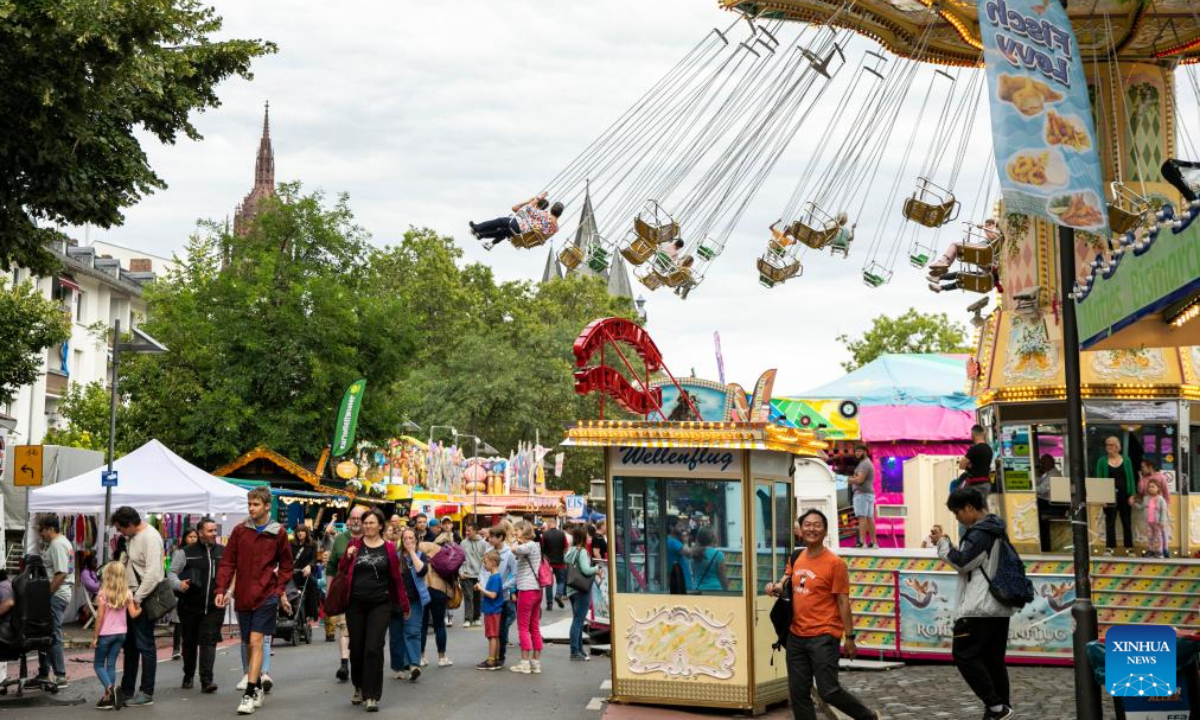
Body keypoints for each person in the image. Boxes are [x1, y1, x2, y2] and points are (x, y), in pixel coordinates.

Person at [765, 510, 879, 720]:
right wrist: (777, 588)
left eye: (817, 525)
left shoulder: (835, 564)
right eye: (807, 524)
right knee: (798, 692)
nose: (812, 529)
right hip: (796, 636)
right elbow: (788, 583)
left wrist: (850, 637)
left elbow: (843, 602)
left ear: (825, 530)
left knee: (828, 690)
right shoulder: (797, 557)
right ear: (800, 530)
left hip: (824, 635)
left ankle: (867, 716)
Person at [930, 489, 1016, 720]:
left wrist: (943, 543)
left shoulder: (980, 532)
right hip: (999, 606)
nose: (957, 517)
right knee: (993, 661)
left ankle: (997, 707)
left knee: (964, 654)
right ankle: (999, 708)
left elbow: (963, 562)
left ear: (969, 507)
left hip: (980, 607)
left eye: (957, 512)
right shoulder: (996, 528)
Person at [215, 487, 294, 716]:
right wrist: (221, 588)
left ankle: (249, 694)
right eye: (249, 504)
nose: (251, 508)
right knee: (248, 643)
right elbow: (228, 562)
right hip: (243, 595)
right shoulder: (240, 531)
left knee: (256, 640)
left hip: (266, 596)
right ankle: (257, 684)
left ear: (267, 506)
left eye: (256, 504)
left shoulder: (277, 532)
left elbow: (287, 565)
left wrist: (278, 590)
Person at [340, 508, 410, 712]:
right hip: (355, 604)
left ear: (381, 525)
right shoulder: (354, 545)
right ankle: (359, 686)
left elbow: (397, 579)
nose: (368, 526)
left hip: (380, 604)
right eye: (366, 523)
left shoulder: (388, 549)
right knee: (358, 649)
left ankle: (372, 695)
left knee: (373, 648)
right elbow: (342, 569)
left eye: (372, 523)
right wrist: (348, 556)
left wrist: (404, 605)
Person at [112, 506, 164, 707]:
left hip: (143, 597)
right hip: (132, 595)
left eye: (120, 528)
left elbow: (154, 573)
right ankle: (127, 689)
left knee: (145, 645)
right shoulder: (131, 537)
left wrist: (138, 598)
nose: (120, 532)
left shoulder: (149, 537)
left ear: (131, 524)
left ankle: (146, 691)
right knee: (131, 645)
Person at [170, 517, 225, 693]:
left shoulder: (223, 552)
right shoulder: (184, 552)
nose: (214, 534)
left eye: (215, 530)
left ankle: (206, 680)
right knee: (190, 642)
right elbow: (171, 573)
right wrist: (179, 585)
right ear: (200, 533)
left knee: (209, 641)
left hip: (214, 607)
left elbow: (231, 573)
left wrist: (228, 592)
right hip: (189, 606)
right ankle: (188, 675)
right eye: (210, 531)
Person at [92, 561, 143, 710]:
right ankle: (108, 697)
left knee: (98, 664)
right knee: (111, 664)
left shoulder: (103, 593)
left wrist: (95, 636)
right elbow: (133, 614)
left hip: (106, 634)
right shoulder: (127, 593)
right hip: (121, 634)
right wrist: (141, 607)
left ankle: (110, 688)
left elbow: (100, 617)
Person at [34, 514, 73, 688]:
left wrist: (46, 595)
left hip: (56, 595)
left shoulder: (57, 544)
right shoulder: (62, 542)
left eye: (41, 530)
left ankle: (60, 675)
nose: (40, 534)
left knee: (52, 634)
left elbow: (61, 573)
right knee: (47, 633)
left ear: (50, 528)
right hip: (59, 594)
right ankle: (44, 673)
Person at [325, 506, 364, 680]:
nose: (356, 521)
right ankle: (344, 664)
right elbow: (331, 567)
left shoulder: (370, 539)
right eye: (353, 518)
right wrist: (329, 591)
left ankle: (360, 662)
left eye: (359, 518)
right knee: (344, 627)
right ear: (349, 521)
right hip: (344, 591)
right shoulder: (340, 540)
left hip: (365, 592)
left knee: (360, 631)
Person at [392, 527, 429, 682]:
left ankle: (414, 665)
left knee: (412, 632)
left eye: (411, 538)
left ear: (416, 540)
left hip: (414, 600)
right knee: (396, 635)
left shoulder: (421, 555)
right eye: (405, 538)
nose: (408, 541)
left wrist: (412, 552)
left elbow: (422, 571)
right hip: (396, 601)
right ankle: (400, 666)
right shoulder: (396, 556)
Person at [509, 521, 545, 674]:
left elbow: (514, 550)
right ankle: (535, 662)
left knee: (523, 627)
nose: (515, 533)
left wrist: (515, 541)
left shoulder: (529, 545)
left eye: (516, 530)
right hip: (537, 590)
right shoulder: (536, 546)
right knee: (534, 626)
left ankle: (524, 662)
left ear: (523, 530)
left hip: (526, 589)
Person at [469, 192, 564, 250]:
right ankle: (481, 234)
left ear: (551, 209)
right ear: (559, 214)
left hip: (521, 228)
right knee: (505, 231)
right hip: (526, 237)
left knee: (500, 221)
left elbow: (527, 208)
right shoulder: (556, 228)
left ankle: (477, 228)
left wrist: (537, 199)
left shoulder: (544, 216)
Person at [418, 534, 454, 668]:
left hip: (422, 588)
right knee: (439, 625)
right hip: (439, 589)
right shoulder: (446, 552)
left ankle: (421, 657)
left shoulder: (422, 546)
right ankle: (442, 657)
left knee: (422, 624)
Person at [1097, 436, 1136, 554]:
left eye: (1111, 444)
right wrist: (1102, 497)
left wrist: (1132, 495)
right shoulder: (1102, 461)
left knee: (1126, 521)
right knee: (1110, 522)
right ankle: (1109, 548)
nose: (1108, 447)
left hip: (1125, 495)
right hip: (1109, 496)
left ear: (1117, 447)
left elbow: (1131, 478)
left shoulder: (1127, 460)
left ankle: (1129, 548)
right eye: (1107, 444)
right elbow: (1100, 480)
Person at [486, 525, 518, 667]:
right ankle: (493, 656)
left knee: (501, 629)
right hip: (489, 597)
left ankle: (500, 657)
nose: (490, 539)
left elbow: (516, 576)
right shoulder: (488, 551)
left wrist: (503, 587)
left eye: (493, 537)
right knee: (491, 630)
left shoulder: (509, 554)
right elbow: (483, 572)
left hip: (503, 598)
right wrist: (483, 586)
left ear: (500, 538)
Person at [564, 525, 597, 661]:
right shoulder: (582, 551)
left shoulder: (570, 550)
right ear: (583, 537)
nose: (590, 537)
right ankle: (574, 651)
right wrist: (596, 568)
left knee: (577, 619)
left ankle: (579, 650)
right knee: (578, 621)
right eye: (588, 535)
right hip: (582, 589)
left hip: (571, 589)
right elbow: (586, 570)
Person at [169, 529, 198, 661]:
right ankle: (176, 648)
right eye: (190, 536)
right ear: (185, 538)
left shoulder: (200, 552)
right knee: (178, 621)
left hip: (195, 591)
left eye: (195, 536)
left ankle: (187, 648)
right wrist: (178, 583)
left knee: (190, 623)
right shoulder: (180, 553)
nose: (193, 539)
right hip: (180, 590)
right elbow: (173, 572)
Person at [473, 551, 504, 671]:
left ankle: (491, 660)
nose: (484, 565)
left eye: (485, 563)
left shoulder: (495, 578)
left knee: (492, 636)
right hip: (492, 610)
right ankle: (495, 658)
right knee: (494, 636)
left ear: (493, 562)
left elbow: (493, 595)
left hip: (492, 610)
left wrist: (481, 588)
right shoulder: (494, 576)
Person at [459, 523, 488, 628]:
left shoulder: (483, 544)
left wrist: (483, 574)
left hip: (479, 574)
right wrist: (461, 572)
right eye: (466, 530)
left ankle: (476, 617)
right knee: (468, 597)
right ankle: (467, 618)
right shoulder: (463, 543)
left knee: (477, 597)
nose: (467, 533)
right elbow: (460, 559)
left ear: (475, 531)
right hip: (467, 574)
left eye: (469, 530)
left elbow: (486, 559)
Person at [1034, 454, 1065, 553]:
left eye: (1043, 463)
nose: (1042, 465)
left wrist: (1031, 488)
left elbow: (1041, 490)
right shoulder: (1049, 473)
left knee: (1036, 503)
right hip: (1050, 501)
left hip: (1054, 505)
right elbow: (1040, 481)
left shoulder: (1053, 475)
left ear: (1048, 463)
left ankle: (1043, 543)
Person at [848, 445, 876, 549]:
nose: (857, 453)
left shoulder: (864, 464)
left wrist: (850, 479)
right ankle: (873, 543)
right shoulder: (868, 463)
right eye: (856, 451)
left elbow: (859, 480)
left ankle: (861, 543)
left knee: (862, 518)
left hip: (862, 494)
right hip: (869, 494)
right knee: (869, 518)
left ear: (865, 452)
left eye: (859, 451)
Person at [291, 525, 319, 625]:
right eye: (298, 531)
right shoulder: (291, 544)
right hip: (293, 574)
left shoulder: (313, 544)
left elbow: (314, 559)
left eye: (302, 531)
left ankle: (312, 614)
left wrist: (310, 566)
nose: (300, 533)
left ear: (306, 533)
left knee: (313, 585)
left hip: (305, 573)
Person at [1134, 478, 1169, 558]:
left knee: (1158, 536)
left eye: (1153, 487)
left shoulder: (1161, 499)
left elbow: (1164, 511)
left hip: (1157, 522)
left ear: (1158, 488)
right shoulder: (1146, 498)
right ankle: (1151, 550)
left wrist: (1162, 521)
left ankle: (1159, 551)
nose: (1151, 488)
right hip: (1149, 522)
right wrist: (1135, 504)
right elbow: (1142, 506)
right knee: (1150, 536)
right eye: (1149, 487)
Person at [960, 425, 994, 505]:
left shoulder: (974, 449)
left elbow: (961, 465)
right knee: (982, 507)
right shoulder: (989, 449)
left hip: (974, 485)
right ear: (983, 434)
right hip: (986, 484)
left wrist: (969, 465)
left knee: (969, 507)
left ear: (973, 435)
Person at [541, 517, 568, 610]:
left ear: (549, 524)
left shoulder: (545, 535)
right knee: (561, 581)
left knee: (549, 583)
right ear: (555, 524)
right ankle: (558, 594)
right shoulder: (562, 534)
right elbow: (566, 547)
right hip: (560, 561)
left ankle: (549, 604)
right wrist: (562, 554)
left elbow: (542, 549)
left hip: (548, 562)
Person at [690, 527, 727, 593]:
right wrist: (726, 590)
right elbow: (722, 576)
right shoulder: (718, 555)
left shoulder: (694, 554)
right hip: (715, 590)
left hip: (697, 590)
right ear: (713, 538)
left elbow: (694, 575)